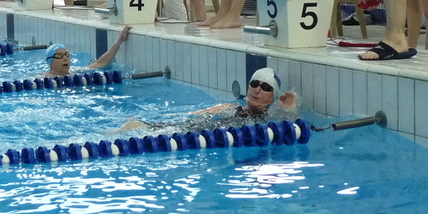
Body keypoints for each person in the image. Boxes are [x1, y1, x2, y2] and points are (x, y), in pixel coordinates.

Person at [121, 67, 297, 130]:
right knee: (133, 124)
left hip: (211, 139)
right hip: (193, 131)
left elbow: (290, 127)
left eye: (266, 88)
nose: (258, 90)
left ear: (273, 96)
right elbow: (190, 116)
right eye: (255, 83)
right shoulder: (229, 106)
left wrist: (290, 110)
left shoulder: (270, 118)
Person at [41, 25, 132, 77]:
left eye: (67, 54)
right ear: (50, 62)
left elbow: (100, 63)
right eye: (59, 56)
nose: (65, 58)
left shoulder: (75, 71)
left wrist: (120, 40)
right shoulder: (45, 78)